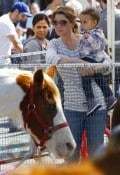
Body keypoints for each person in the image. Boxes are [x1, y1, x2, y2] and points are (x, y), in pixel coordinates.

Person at [46, 6, 113, 162]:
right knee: (71, 156)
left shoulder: (87, 39)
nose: (58, 26)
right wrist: (79, 62)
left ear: (71, 23)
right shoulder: (55, 44)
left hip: (97, 105)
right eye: (55, 23)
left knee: (96, 155)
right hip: (72, 106)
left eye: (63, 22)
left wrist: (91, 67)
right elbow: (51, 58)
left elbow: (108, 64)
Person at [79, 8, 117, 116]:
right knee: (99, 80)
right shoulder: (86, 33)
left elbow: (98, 47)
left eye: (85, 22)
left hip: (92, 59)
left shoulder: (98, 33)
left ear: (94, 22)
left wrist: (89, 38)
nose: (82, 25)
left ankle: (91, 100)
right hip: (89, 59)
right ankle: (110, 98)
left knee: (85, 81)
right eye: (81, 22)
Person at [98, 0, 120, 97]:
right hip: (111, 61)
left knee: (109, 95)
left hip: (106, 62)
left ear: (100, 1)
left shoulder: (98, 19)